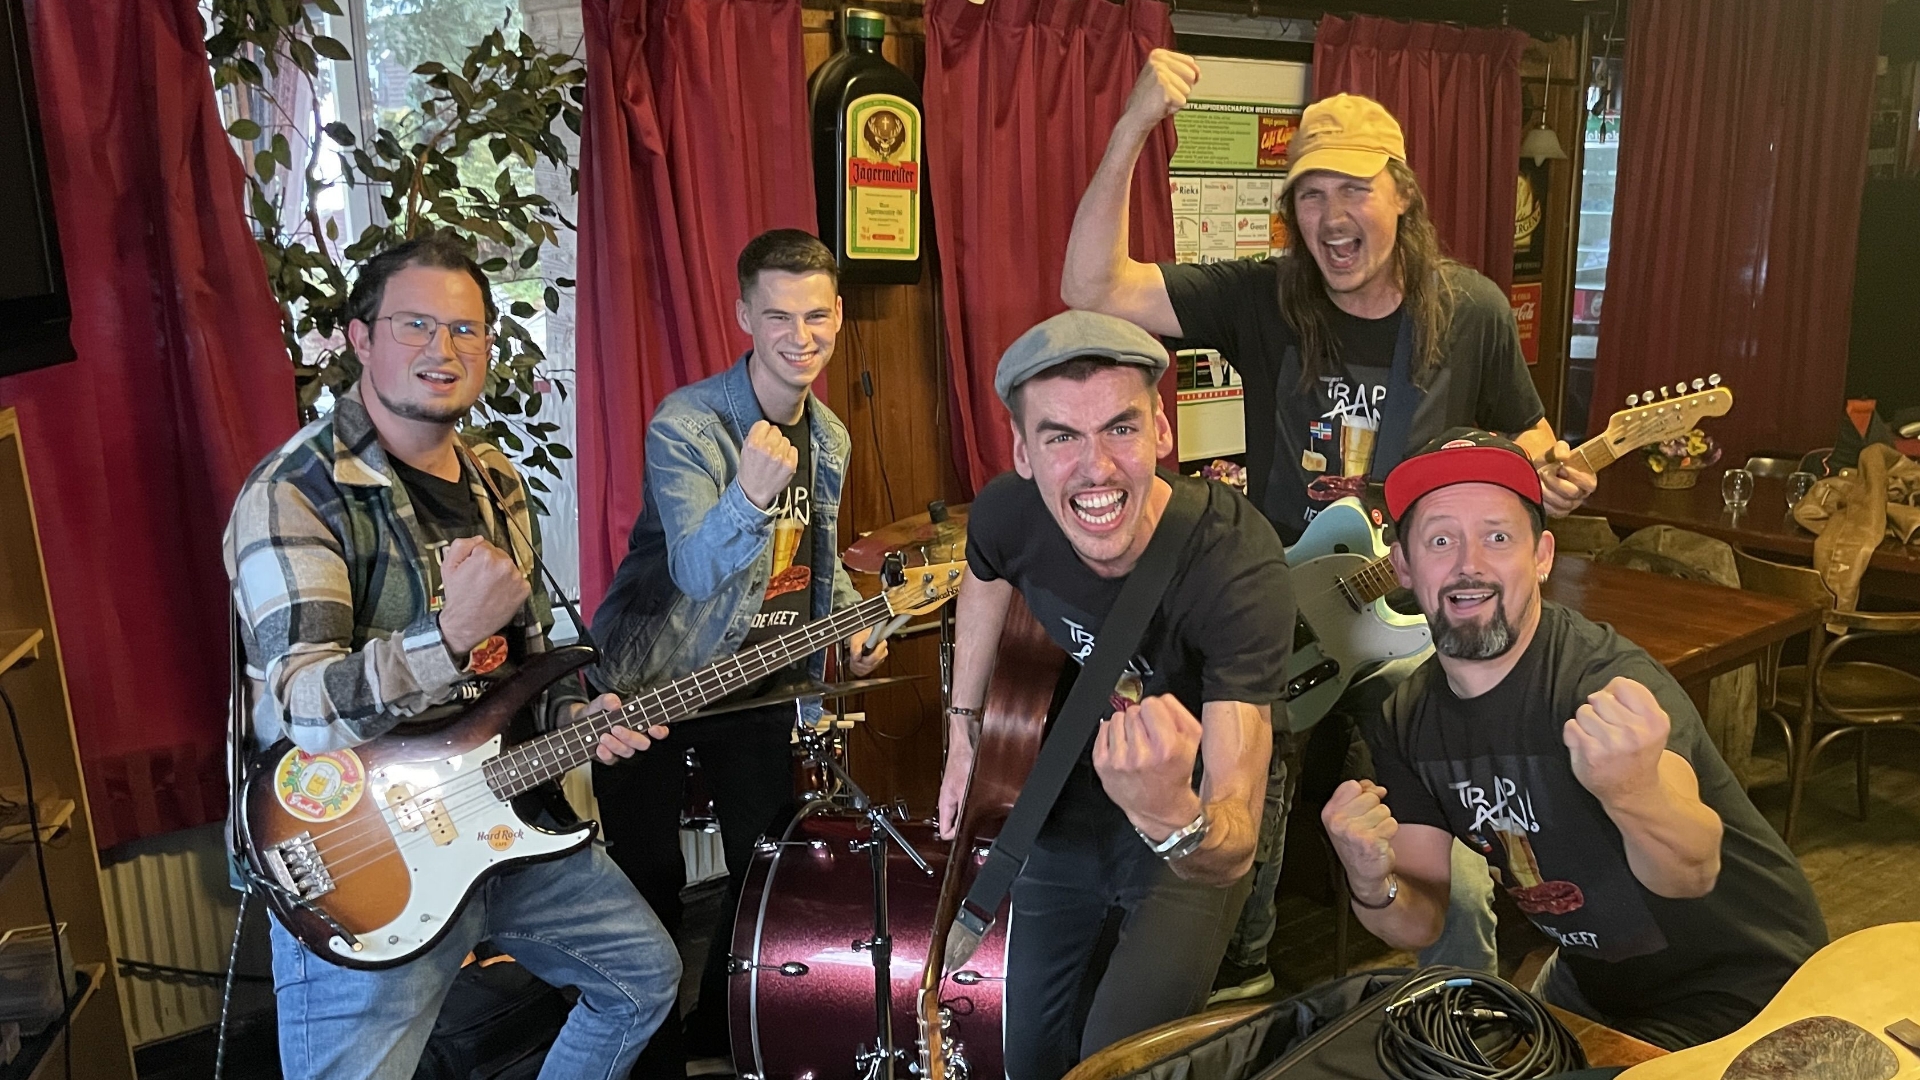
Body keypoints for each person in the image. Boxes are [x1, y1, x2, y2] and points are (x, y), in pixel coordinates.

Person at [1062, 53, 1602, 999]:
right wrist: (1133, 125)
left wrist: (1554, 478)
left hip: (1408, 627)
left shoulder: (1470, 310)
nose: (1330, 215)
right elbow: (1093, 287)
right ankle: (1240, 993)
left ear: (1402, 196)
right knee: (1244, 818)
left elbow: (1526, 439)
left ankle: (1468, 1009)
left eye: (1353, 188)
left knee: (1440, 830)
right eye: (1310, 195)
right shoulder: (1265, 295)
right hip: (1277, 608)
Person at [225, 230, 681, 1080]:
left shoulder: (496, 481)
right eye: (415, 325)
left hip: (502, 823)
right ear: (359, 338)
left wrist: (578, 715)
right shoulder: (294, 493)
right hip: (363, 854)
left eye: (466, 329)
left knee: (641, 981)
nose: (444, 349)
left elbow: (528, 665)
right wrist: (445, 638)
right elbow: (307, 709)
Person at [1322, 429, 1827, 1050]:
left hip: (1750, 989)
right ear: (1403, 566)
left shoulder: (1604, 683)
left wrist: (1635, 793)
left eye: (1497, 537)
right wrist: (1370, 882)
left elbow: (1694, 871)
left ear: (1542, 556)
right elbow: (1420, 920)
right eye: (1441, 540)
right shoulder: (1407, 719)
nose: (1469, 564)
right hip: (1598, 987)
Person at [936, 310, 1293, 1079]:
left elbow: (1233, 837)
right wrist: (963, 731)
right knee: (1029, 1055)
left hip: (1190, 804)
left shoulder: (1235, 563)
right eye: (1061, 436)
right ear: (1022, 453)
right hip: (1075, 789)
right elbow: (983, 574)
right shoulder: (1008, 513)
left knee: (1120, 1062)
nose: (1095, 468)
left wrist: (1171, 816)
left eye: (1120, 429)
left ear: (1162, 431)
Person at [591, 228, 889, 1078]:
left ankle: (718, 1034)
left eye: (816, 316)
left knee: (764, 869)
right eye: (779, 316)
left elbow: (813, 565)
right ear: (743, 317)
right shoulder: (688, 424)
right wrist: (751, 495)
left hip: (754, 680)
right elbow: (695, 568)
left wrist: (848, 634)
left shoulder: (829, 436)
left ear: (838, 316)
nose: (801, 336)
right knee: (648, 879)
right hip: (647, 685)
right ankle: (652, 1064)